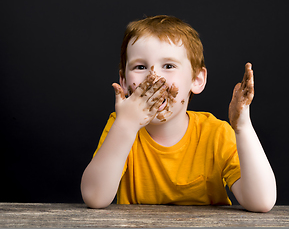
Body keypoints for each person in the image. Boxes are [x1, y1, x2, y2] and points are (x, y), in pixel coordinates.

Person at [81, 15, 276, 212]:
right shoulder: (120, 126)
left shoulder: (215, 133)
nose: (153, 77)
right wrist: (126, 126)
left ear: (197, 79)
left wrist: (243, 127)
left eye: (168, 66)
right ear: (123, 81)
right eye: (140, 67)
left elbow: (261, 201)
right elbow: (94, 197)